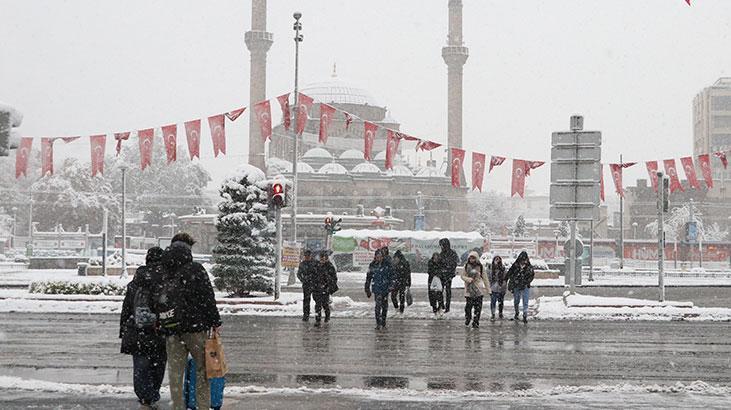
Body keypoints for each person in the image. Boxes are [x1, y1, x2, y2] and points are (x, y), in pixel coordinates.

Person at [157, 233, 222, 410]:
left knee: (175, 374)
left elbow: (156, 299)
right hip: (195, 329)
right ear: (189, 248)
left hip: (171, 328)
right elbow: (208, 297)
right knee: (202, 371)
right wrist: (214, 321)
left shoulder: (162, 269)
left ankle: (177, 406)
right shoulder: (196, 269)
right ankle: (202, 406)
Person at [120, 247, 167, 409]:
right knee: (158, 364)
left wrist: (123, 330)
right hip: (159, 330)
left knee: (141, 366)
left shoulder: (136, 281)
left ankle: (144, 397)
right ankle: (154, 393)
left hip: (138, 331)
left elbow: (126, 308)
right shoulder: (165, 280)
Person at [365, 249, 395, 330]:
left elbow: (392, 276)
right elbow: (368, 278)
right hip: (377, 288)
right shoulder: (372, 265)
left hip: (385, 288)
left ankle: (383, 322)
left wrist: (391, 285)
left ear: (383, 257)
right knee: (378, 306)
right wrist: (367, 289)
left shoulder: (387, 264)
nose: (379, 258)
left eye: (380, 257)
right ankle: (378, 323)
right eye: (377, 257)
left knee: (384, 306)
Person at [460, 251, 489, 329]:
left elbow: (485, 278)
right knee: (468, 307)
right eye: (470, 258)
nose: (472, 260)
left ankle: (476, 321)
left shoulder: (480, 267)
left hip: (478, 290)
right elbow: (462, 276)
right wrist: (468, 279)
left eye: (473, 258)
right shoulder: (466, 266)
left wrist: (488, 289)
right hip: (469, 291)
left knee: (478, 308)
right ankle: (468, 318)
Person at [506, 251, 535, 323]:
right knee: (516, 300)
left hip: (525, 286)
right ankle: (517, 312)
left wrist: (526, 282)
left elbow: (531, 275)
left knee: (525, 301)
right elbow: (510, 273)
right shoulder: (515, 265)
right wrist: (506, 279)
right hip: (517, 285)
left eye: (524, 260)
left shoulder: (529, 267)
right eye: (522, 260)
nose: (523, 261)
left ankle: (525, 315)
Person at [312, 250, 338, 326]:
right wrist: (313, 285)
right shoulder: (316, 266)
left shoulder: (329, 266)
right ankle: (318, 319)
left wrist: (328, 285)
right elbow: (313, 276)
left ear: (326, 258)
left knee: (325, 304)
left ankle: (327, 315)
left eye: (324, 258)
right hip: (317, 288)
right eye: (321, 258)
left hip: (325, 288)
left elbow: (334, 278)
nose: (322, 260)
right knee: (317, 305)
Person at [438, 238, 459, 313]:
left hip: (448, 275)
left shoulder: (452, 253)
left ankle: (447, 307)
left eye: (442, 245)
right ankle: (442, 304)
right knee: (440, 291)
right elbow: (439, 264)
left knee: (447, 291)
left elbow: (454, 264)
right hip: (442, 275)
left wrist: (450, 273)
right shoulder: (442, 253)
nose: (441, 247)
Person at [296, 249, 318, 322]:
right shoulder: (302, 264)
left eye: (308, 256)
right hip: (306, 285)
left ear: (311, 256)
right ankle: (306, 315)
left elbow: (319, 273)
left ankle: (318, 315)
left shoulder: (315, 263)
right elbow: (299, 274)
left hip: (315, 284)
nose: (307, 257)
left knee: (317, 300)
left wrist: (316, 280)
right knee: (306, 300)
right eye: (306, 256)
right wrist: (303, 280)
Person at [390, 250, 411, 315]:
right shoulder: (393, 263)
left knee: (401, 297)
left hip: (402, 282)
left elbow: (408, 273)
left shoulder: (404, 263)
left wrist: (408, 283)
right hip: (396, 282)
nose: (395, 259)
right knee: (393, 296)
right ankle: (397, 308)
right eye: (395, 257)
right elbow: (391, 273)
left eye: (396, 257)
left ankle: (401, 310)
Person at [488, 255, 507, 321]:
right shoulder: (490, 268)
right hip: (493, 288)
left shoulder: (503, 268)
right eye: (496, 259)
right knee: (493, 302)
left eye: (498, 259)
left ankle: (500, 313)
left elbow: (505, 278)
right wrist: (489, 286)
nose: (497, 260)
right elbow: (488, 278)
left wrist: (503, 285)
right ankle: (493, 314)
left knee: (500, 302)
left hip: (501, 288)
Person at [427, 252, 444, 317]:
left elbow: (443, 271)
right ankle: (434, 309)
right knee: (432, 296)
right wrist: (435, 273)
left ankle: (440, 308)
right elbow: (429, 271)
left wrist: (439, 274)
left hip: (439, 280)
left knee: (439, 295)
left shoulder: (441, 263)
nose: (436, 259)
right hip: (432, 281)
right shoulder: (430, 263)